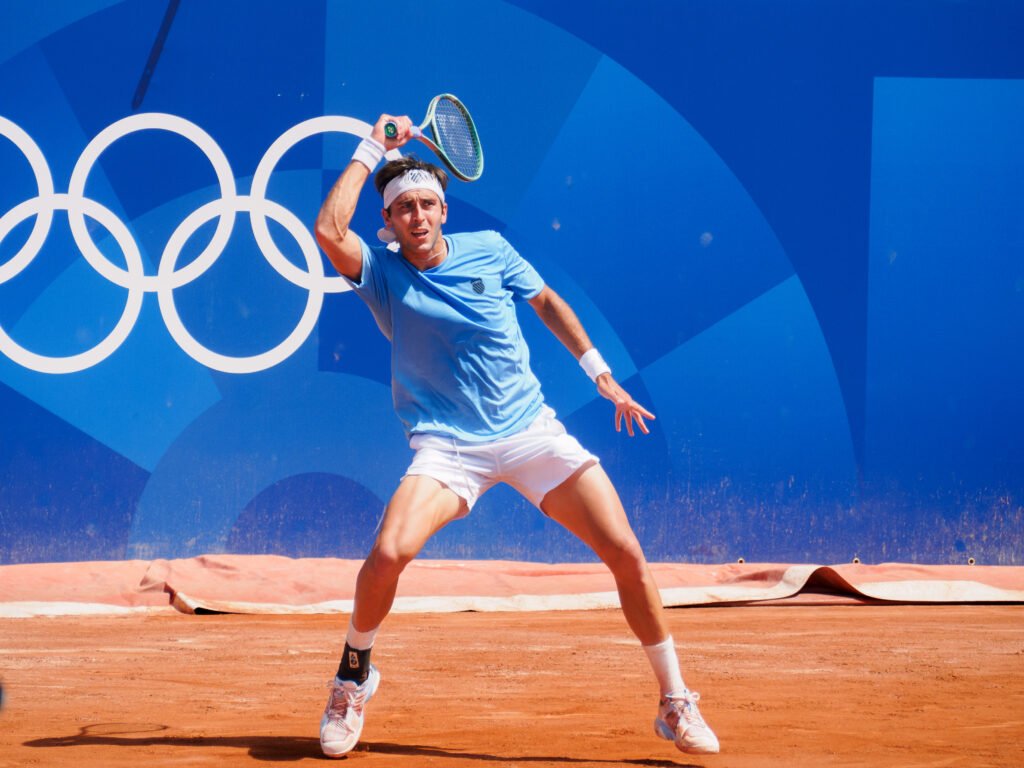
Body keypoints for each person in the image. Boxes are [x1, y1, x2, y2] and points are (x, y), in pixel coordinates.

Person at [312, 112, 720, 759]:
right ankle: (352, 677)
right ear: (388, 221)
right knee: (388, 554)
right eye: (404, 208)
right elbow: (329, 231)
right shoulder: (383, 273)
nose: (417, 216)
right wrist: (371, 147)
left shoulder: (491, 250)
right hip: (448, 447)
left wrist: (600, 373)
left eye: (426, 204)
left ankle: (675, 701)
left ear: (444, 210)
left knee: (625, 551)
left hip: (531, 432)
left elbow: (548, 302)